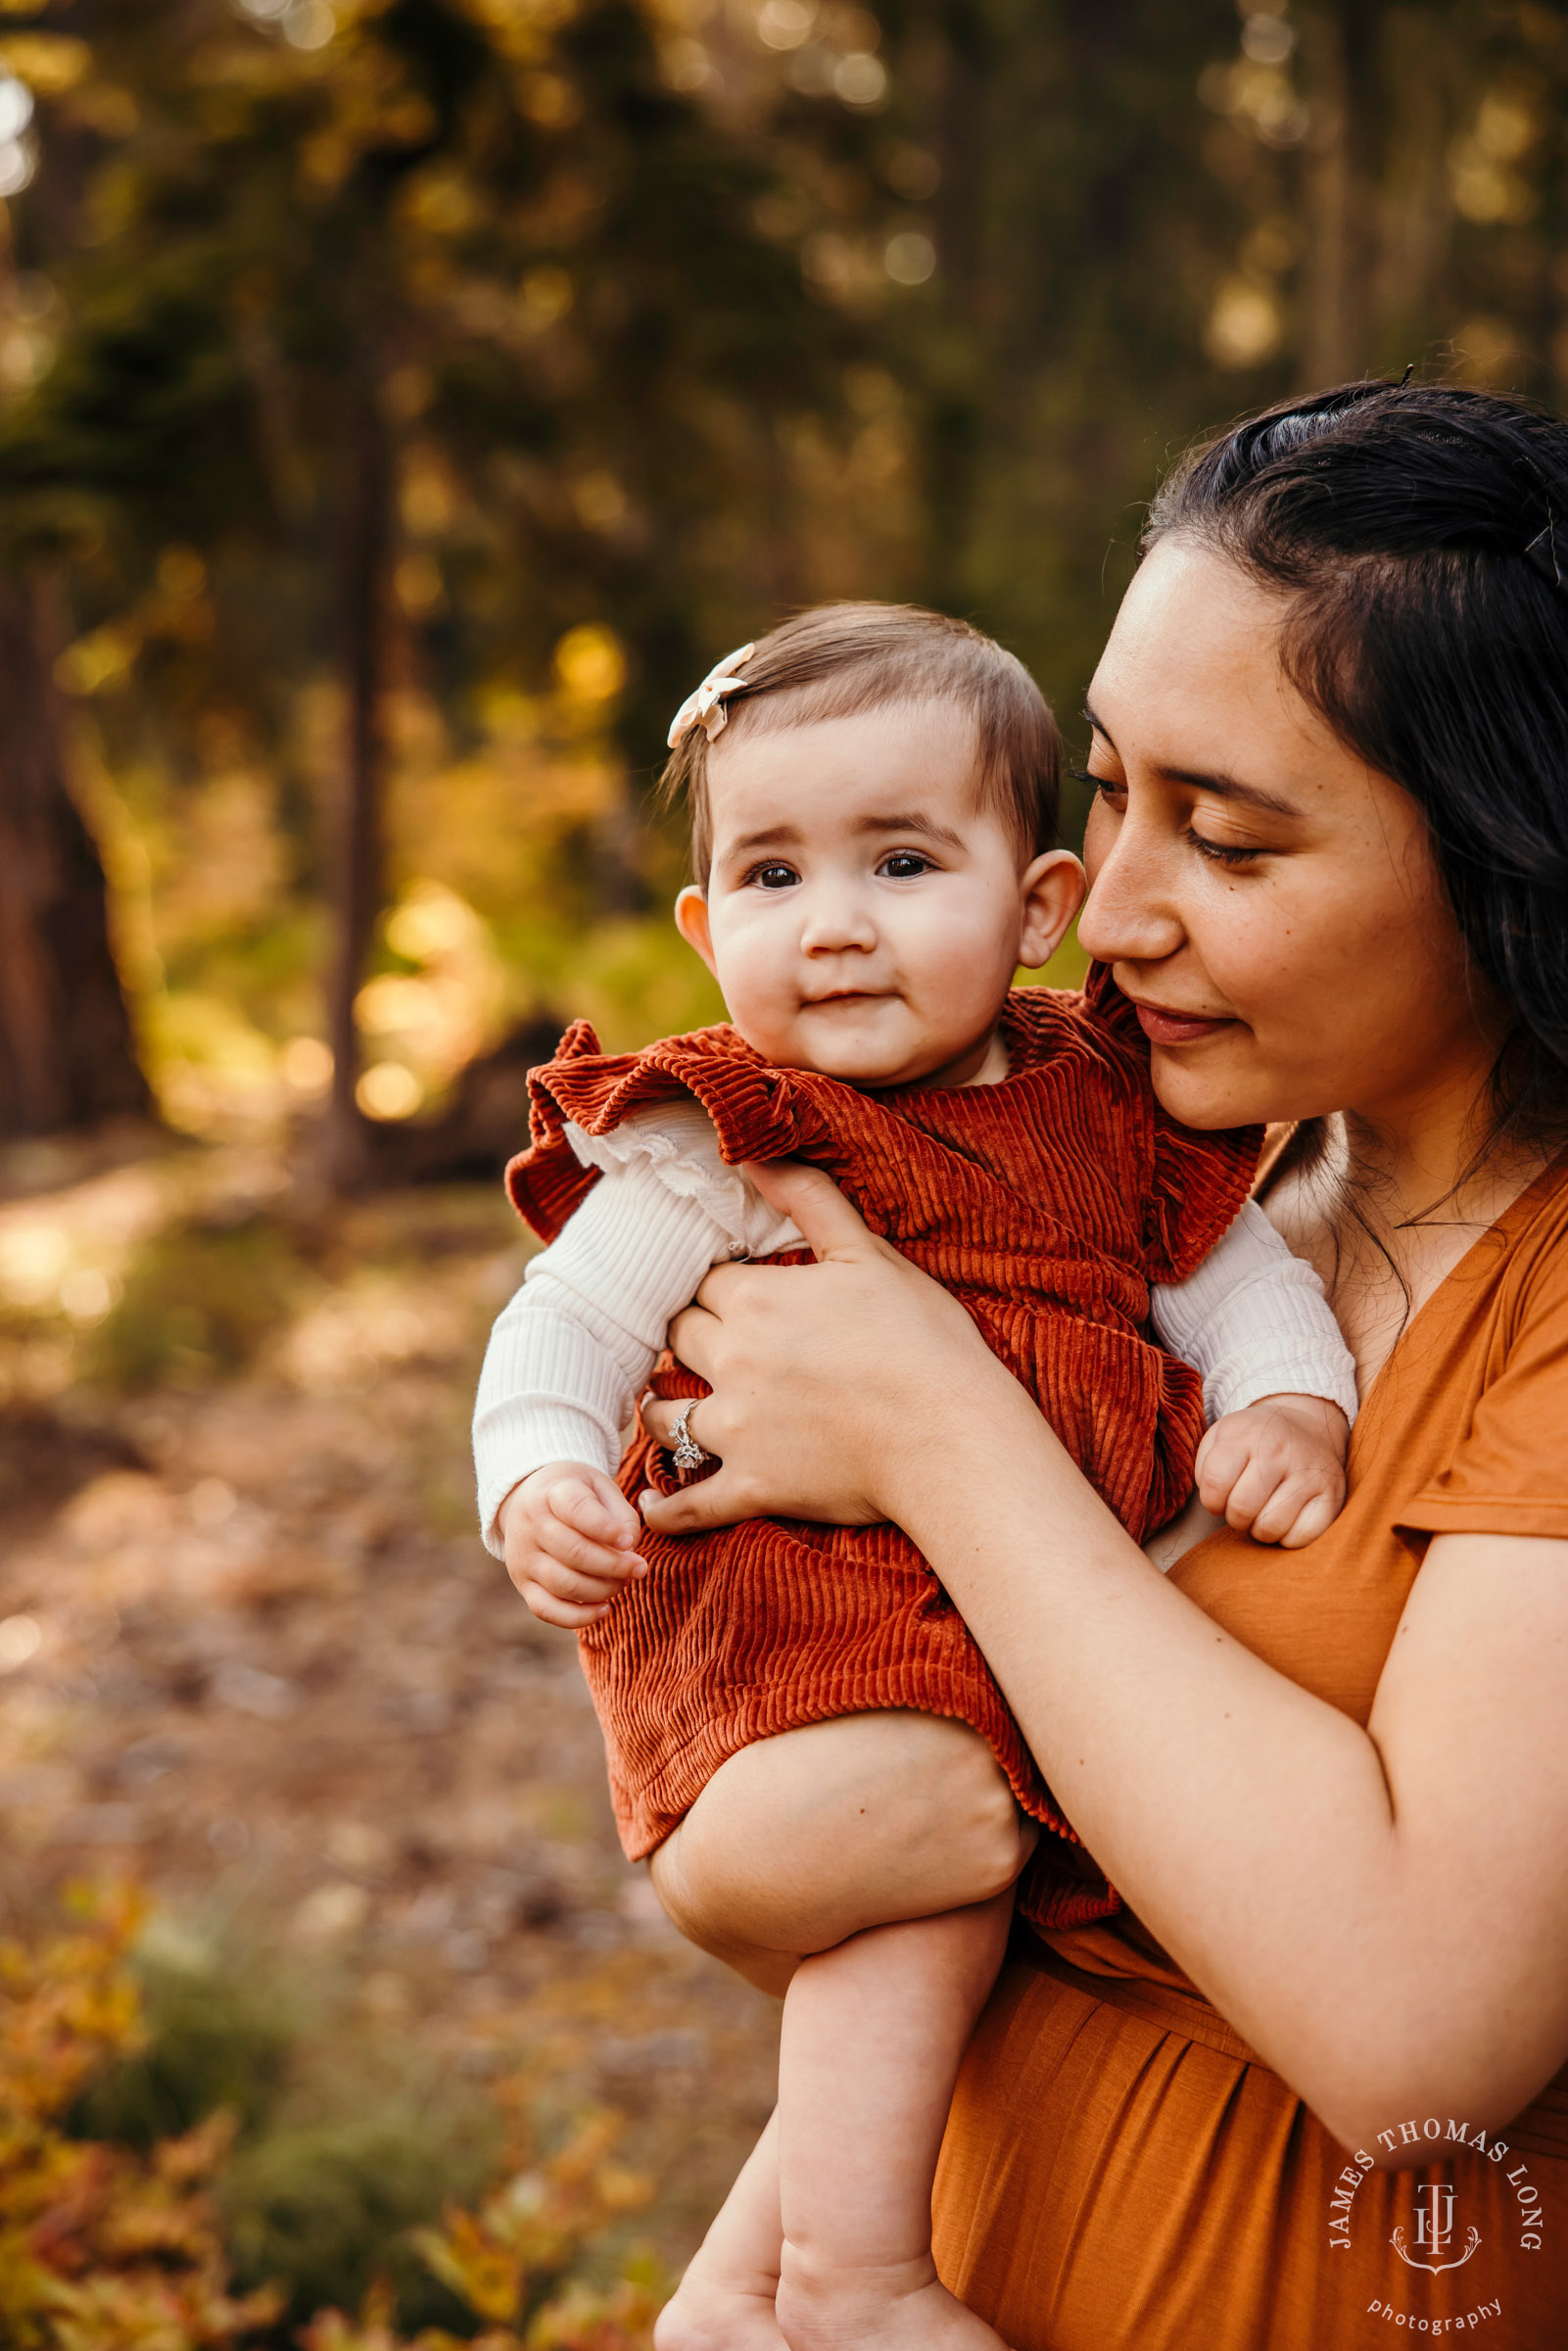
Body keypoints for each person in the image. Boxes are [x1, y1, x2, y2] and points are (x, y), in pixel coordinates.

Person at [624, 382, 1568, 2349]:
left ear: (1509, 864)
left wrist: (927, 1422)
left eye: (1222, 837)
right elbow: (1027, 1818)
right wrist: (745, 2272)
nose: (1111, 913)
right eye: (1114, 792)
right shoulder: (1187, 1193)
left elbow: (1421, 2034)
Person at [472, 602, 1358, 2351]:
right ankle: (851, 2277)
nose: (838, 928)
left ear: (1033, 909)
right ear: (704, 923)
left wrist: (1290, 1408)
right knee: (928, 1870)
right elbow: (560, 1325)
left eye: (897, 860)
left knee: (964, 1889)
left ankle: (735, 2293)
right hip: (808, 1634)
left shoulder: (1107, 1112)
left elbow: (1240, 1283)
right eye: (776, 879)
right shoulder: (723, 1135)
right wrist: (533, 1477)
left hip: (1017, 1627)